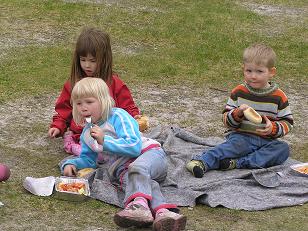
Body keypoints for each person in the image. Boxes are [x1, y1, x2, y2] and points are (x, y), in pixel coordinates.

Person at [62, 77, 187, 231]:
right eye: (79, 103)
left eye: (89, 102)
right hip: (124, 171)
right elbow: (89, 159)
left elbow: (134, 146)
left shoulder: (118, 116)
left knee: (137, 168)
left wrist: (104, 140)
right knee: (142, 183)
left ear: (103, 100)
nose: (83, 108)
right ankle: (165, 214)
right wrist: (71, 164)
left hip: (149, 155)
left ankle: (138, 207)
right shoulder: (87, 134)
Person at [186, 43, 294, 178]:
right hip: (242, 137)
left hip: (267, 141)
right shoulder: (239, 92)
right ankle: (201, 162)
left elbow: (288, 122)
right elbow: (226, 120)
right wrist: (237, 114)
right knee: (231, 147)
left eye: (259, 71)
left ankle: (237, 163)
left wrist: (273, 128)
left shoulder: (279, 96)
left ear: (271, 72)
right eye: (249, 71)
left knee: (282, 149)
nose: (253, 76)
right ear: (243, 69)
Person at [48, 27, 141, 156]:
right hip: (81, 135)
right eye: (83, 60)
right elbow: (64, 111)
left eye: (93, 61)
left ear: (104, 59)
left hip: (108, 135)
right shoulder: (75, 84)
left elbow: (127, 108)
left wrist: (135, 117)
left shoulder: (114, 83)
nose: (87, 65)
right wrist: (58, 126)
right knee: (86, 153)